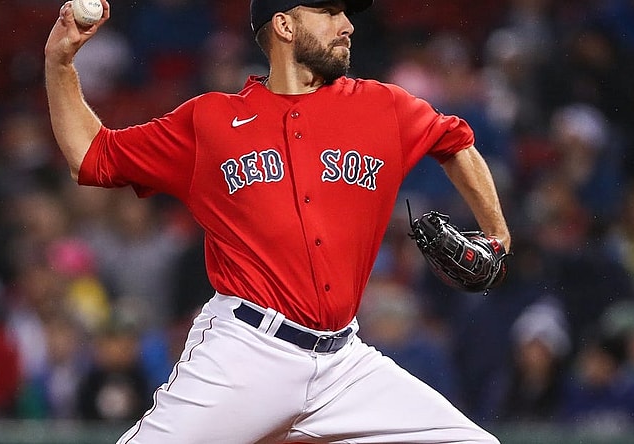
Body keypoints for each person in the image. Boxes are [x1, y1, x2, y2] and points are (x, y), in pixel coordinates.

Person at [44, 1, 511, 442]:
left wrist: (497, 233)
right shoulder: (210, 121)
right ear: (285, 26)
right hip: (247, 352)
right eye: (329, 12)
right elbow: (90, 155)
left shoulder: (381, 106)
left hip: (345, 363)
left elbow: (456, 143)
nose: (346, 24)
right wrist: (60, 64)